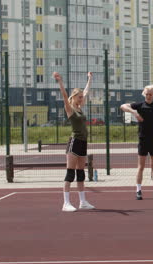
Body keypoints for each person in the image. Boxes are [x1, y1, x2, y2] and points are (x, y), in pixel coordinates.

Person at [120, 85, 153, 200]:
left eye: (151, 94)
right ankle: (138, 190)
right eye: (147, 94)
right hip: (143, 139)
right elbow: (123, 106)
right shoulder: (139, 105)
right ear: (144, 94)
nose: (149, 96)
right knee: (141, 167)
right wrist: (134, 113)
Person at [53, 71, 95, 212]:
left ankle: (82, 202)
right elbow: (65, 96)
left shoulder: (80, 108)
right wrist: (60, 81)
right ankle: (66, 203)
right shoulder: (70, 109)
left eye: (82, 97)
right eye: (79, 97)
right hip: (74, 142)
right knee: (70, 173)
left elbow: (87, 91)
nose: (82, 98)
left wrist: (89, 78)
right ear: (74, 97)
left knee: (81, 173)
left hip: (83, 142)